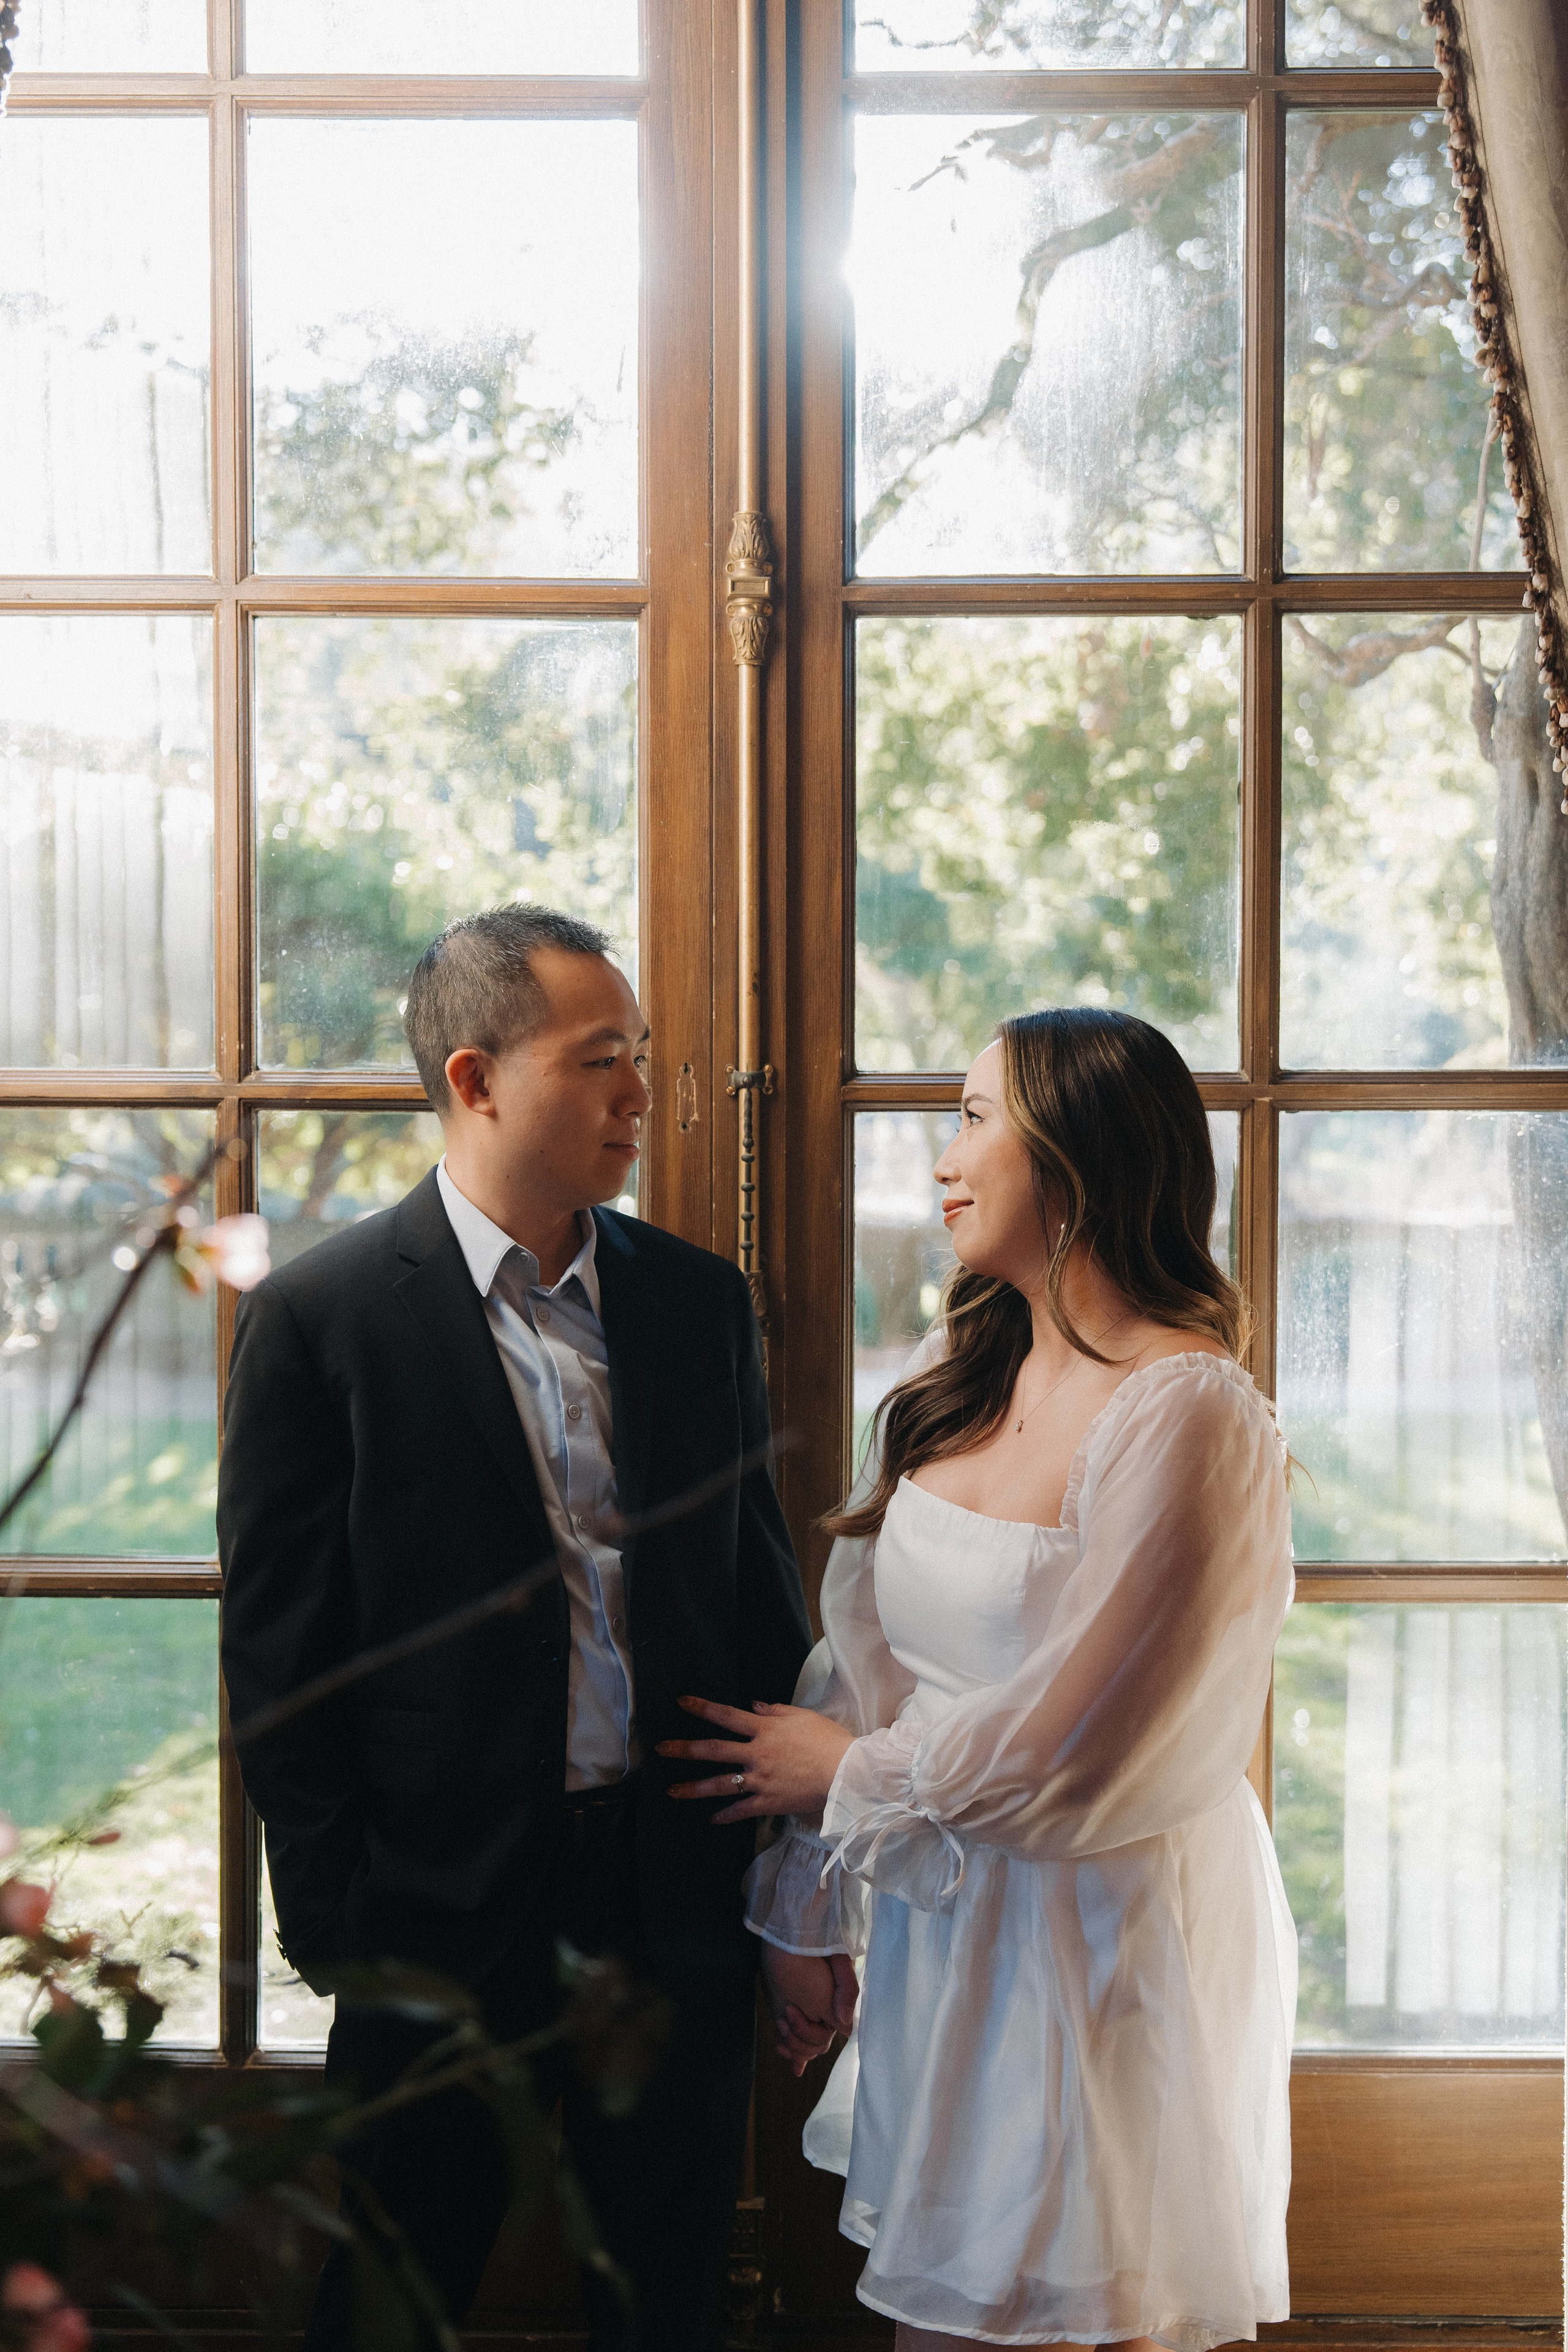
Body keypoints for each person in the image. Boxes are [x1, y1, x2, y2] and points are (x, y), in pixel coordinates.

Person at [218, 903, 813, 2352]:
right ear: (475, 1079)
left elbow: (753, 1598)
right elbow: (279, 1656)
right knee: (388, 2298)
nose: (640, 1097)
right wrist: (339, 1927)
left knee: (660, 2301)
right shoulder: (322, 1320)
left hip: (668, 1892)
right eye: (602, 1061)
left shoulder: (694, 1304)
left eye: (645, 1060)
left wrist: (788, 1883)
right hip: (433, 1911)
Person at [661, 1007, 1297, 2351]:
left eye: (969, 1117)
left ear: (1073, 1152)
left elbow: (1091, 1738)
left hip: (1092, 1936)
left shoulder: (1185, 1410)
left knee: (1053, 2317)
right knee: (943, 2323)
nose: (938, 1158)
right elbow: (866, 1659)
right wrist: (803, 1911)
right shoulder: (960, 1376)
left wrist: (841, 1778)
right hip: (949, 1933)